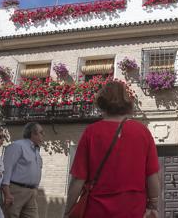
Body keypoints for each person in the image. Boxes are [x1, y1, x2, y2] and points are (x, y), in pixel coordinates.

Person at [63, 81, 160, 218]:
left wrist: (68, 210)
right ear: (127, 102)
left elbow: (78, 180)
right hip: (133, 210)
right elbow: (152, 175)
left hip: (96, 210)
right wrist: (153, 206)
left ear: (102, 102)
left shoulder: (91, 132)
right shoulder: (142, 132)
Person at [2, 122, 44, 218]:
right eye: (41, 132)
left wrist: (35, 189)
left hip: (31, 192)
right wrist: (7, 193)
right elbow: (6, 169)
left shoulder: (36, 150)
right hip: (16, 191)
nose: (43, 135)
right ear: (33, 133)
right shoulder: (17, 146)